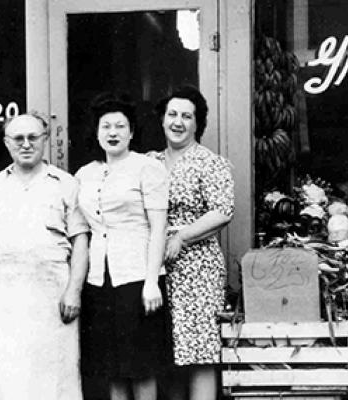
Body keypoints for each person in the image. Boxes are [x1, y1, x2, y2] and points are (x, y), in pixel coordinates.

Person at [0, 113, 89, 400]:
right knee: (11, 380)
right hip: (6, 302)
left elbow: (81, 242)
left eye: (33, 137)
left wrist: (74, 291)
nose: (26, 144)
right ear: (7, 143)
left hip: (53, 301)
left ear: (45, 141)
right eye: (18, 138)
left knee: (57, 381)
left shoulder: (65, 184)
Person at [75, 93, 171, 400]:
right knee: (110, 367)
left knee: (140, 365)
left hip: (137, 278)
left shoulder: (147, 168)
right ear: (97, 131)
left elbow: (159, 229)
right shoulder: (84, 174)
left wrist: (152, 281)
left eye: (120, 126)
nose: (112, 132)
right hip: (98, 281)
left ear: (131, 132)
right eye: (106, 126)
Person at [149, 86, 235, 400]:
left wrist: (181, 237)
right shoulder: (150, 162)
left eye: (187, 116)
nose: (178, 122)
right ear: (162, 120)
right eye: (172, 114)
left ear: (198, 124)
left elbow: (222, 211)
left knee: (198, 352)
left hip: (198, 269)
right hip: (156, 269)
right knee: (168, 352)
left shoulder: (210, 162)